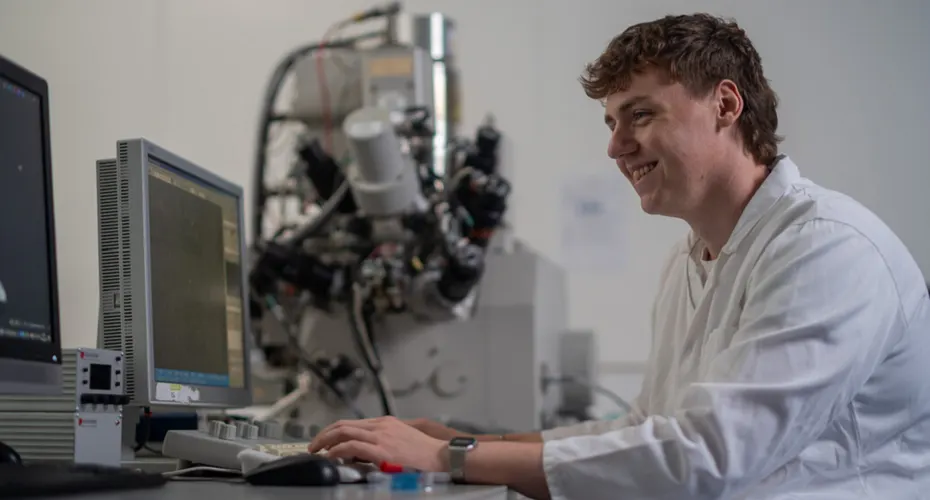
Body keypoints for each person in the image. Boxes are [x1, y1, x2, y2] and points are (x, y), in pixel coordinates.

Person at [309, 13, 930, 499]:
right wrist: (474, 441)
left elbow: (706, 458)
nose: (615, 147)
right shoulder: (692, 259)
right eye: (610, 121)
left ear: (726, 105)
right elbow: (644, 429)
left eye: (640, 115)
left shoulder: (828, 249)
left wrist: (451, 459)